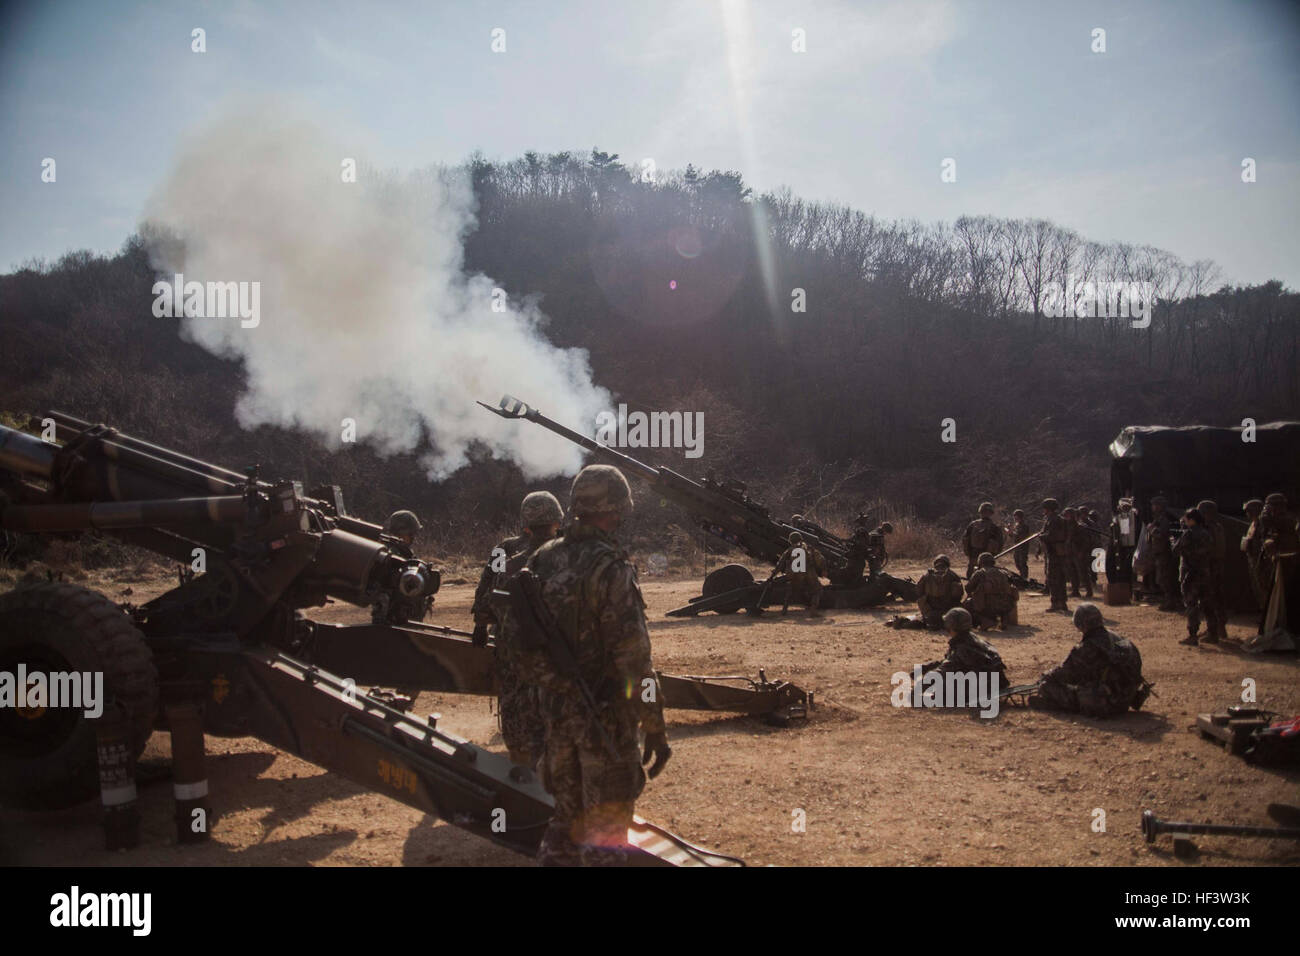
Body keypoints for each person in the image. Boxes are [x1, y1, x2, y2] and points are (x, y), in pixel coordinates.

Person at [516, 464, 671, 866]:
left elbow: (522, 650)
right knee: (605, 837)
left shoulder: (541, 560)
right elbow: (634, 662)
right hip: (603, 724)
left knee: (565, 825)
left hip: (556, 722)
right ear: (613, 509)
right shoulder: (610, 568)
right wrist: (654, 726)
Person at [471, 491, 564, 766]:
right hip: (556, 658)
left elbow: (488, 589)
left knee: (517, 713)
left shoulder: (508, 556)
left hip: (513, 651)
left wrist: (480, 621)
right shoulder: (569, 555)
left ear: (525, 523)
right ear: (557, 521)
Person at [1029, 603, 1148, 717]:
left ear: (1081, 624)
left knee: (1046, 686)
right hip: (1127, 699)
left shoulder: (1089, 646)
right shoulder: (1120, 640)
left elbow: (1065, 673)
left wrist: (1045, 676)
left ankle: (1056, 704)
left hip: (1106, 704)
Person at [917, 606, 1009, 689]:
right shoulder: (975, 639)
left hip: (983, 687)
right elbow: (951, 660)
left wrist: (920, 687)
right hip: (997, 683)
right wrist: (927, 667)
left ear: (951, 627)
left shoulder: (962, 646)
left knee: (941, 689)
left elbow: (945, 668)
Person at [372, 510, 430, 623]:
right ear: (400, 533)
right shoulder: (390, 556)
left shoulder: (404, 553)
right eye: (410, 533)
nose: (413, 537)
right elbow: (382, 590)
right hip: (392, 621)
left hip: (405, 618)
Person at [1174, 508, 1218, 646]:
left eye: (1187, 519)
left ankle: (1193, 635)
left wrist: (1173, 541)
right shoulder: (1206, 533)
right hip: (1205, 573)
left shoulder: (1188, 534)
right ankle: (1213, 633)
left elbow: (1176, 550)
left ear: (1192, 520)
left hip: (1191, 574)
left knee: (1191, 604)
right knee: (1207, 604)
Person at [1256, 493, 1300, 634]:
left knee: (1285, 599)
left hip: (1286, 565)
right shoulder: (1287, 520)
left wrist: (1265, 516)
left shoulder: (1285, 520)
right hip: (1285, 564)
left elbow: (1268, 526)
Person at [1196, 500, 1229, 643]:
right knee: (1218, 598)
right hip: (1218, 567)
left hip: (1208, 567)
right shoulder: (1218, 527)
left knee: (1207, 599)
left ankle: (1212, 631)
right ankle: (1220, 628)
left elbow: (1203, 549)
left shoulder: (1207, 529)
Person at [775, 531, 826, 616]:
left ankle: (784, 610)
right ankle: (813, 610)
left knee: (790, 590)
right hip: (808, 574)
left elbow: (780, 563)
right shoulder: (808, 548)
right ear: (800, 539)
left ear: (790, 540)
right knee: (817, 590)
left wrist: (773, 574)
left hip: (794, 574)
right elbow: (820, 559)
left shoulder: (789, 550)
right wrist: (823, 569)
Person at [964, 552, 1019, 629]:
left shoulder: (980, 573)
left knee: (968, 603)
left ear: (980, 562)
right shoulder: (1004, 572)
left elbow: (968, 588)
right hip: (1007, 605)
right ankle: (1004, 618)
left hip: (989, 606)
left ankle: (985, 620)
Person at [1148, 495, 1181, 611]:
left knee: (1165, 578)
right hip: (1159, 551)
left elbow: (1163, 534)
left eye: (1154, 505)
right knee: (1162, 578)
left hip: (1164, 552)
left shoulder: (1164, 520)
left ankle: (1170, 601)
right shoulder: (1158, 519)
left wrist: (1151, 530)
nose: (1152, 507)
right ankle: (1169, 600)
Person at [916, 554, 964, 628]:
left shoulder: (927, 575)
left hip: (930, 610)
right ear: (947, 564)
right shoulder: (953, 575)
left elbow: (918, 592)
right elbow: (960, 594)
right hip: (949, 610)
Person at [1040, 499, 1070, 612]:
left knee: (1053, 578)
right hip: (1060, 552)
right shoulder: (1060, 520)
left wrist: (1042, 536)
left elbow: (1051, 536)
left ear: (1048, 508)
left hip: (1054, 552)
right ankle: (1062, 602)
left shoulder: (1053, 520)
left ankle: (1056, 603)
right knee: (1061, 578)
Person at [962, 502, 1004, 580]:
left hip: (973, 555)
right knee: (986, 577)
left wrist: (968, 553)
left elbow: (965, 539)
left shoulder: (972, 524)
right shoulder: (994, 527)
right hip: (987, 556)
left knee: (971, 575)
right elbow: (1000, 543)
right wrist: (994, 554)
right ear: (991, 513)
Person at [1108, 498, 1140, 588]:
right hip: (1119, 547)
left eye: (1127, 507)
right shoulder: (1118, 518)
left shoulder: (1131, 517)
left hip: (1128, 548)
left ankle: (1127, 589)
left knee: (1127, 570)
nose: (1125, 509)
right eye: (1124, 507)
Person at [1242, 498, 1266, 608]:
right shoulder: (1253, 524)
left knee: (1264, 588)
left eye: (1249, 511)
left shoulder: (1262, 524)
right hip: (1252, 559)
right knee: (1257, 588)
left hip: (1262, 561)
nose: (1247, 513)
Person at [1008, 509, 1033, 581]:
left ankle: (1024, 578)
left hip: (1023, 547)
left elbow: (1020, 536)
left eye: (1016, 517)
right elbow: (1012, 536)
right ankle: (1022, 576)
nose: (1015, 519)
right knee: (1017, 562)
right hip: (1017, 546)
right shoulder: (1017, 525)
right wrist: (1010, 531)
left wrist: (1012, 532)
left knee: (1022, 563)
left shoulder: (1024, 526)